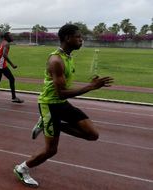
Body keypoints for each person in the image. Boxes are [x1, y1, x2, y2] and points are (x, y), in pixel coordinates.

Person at [13, 24, 114, 187]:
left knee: (92, 134)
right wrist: (91, 87)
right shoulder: (56, 60)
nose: (82, 40)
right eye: (78, 37)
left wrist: (91, 85)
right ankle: (21, 168)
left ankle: (49, 125)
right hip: (49, 105)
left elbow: (62, 93)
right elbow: (61, 92)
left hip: (61, 103)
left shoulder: (68, 56)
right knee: (51, 150)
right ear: (67, 38)